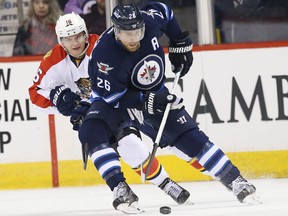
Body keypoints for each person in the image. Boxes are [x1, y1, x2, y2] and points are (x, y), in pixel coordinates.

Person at [71, 2, 261, 212]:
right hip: (116, 102)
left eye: (138, 31)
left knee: (188, 137)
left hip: (155, 93)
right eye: (128, 34)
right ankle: (120, 188)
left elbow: (164, 10)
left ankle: (235, 180)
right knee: (91, 130)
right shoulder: (105, 56)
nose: (134, 38)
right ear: (116, 31)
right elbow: (113, 97)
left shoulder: (150, 22)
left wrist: (178, 39)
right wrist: (145, 100)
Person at [28, 12, 191, 214]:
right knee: (93, 139)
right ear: (61, 41)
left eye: (78, 35)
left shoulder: (102, 46)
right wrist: (59, 99)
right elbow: (35, 94)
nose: (75, 42)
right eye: (68, 38)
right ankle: (120, 188)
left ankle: (165, 183)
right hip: (92, 115)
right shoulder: (53, 61)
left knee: (131, 146)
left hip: (118, 105)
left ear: (86, 33)